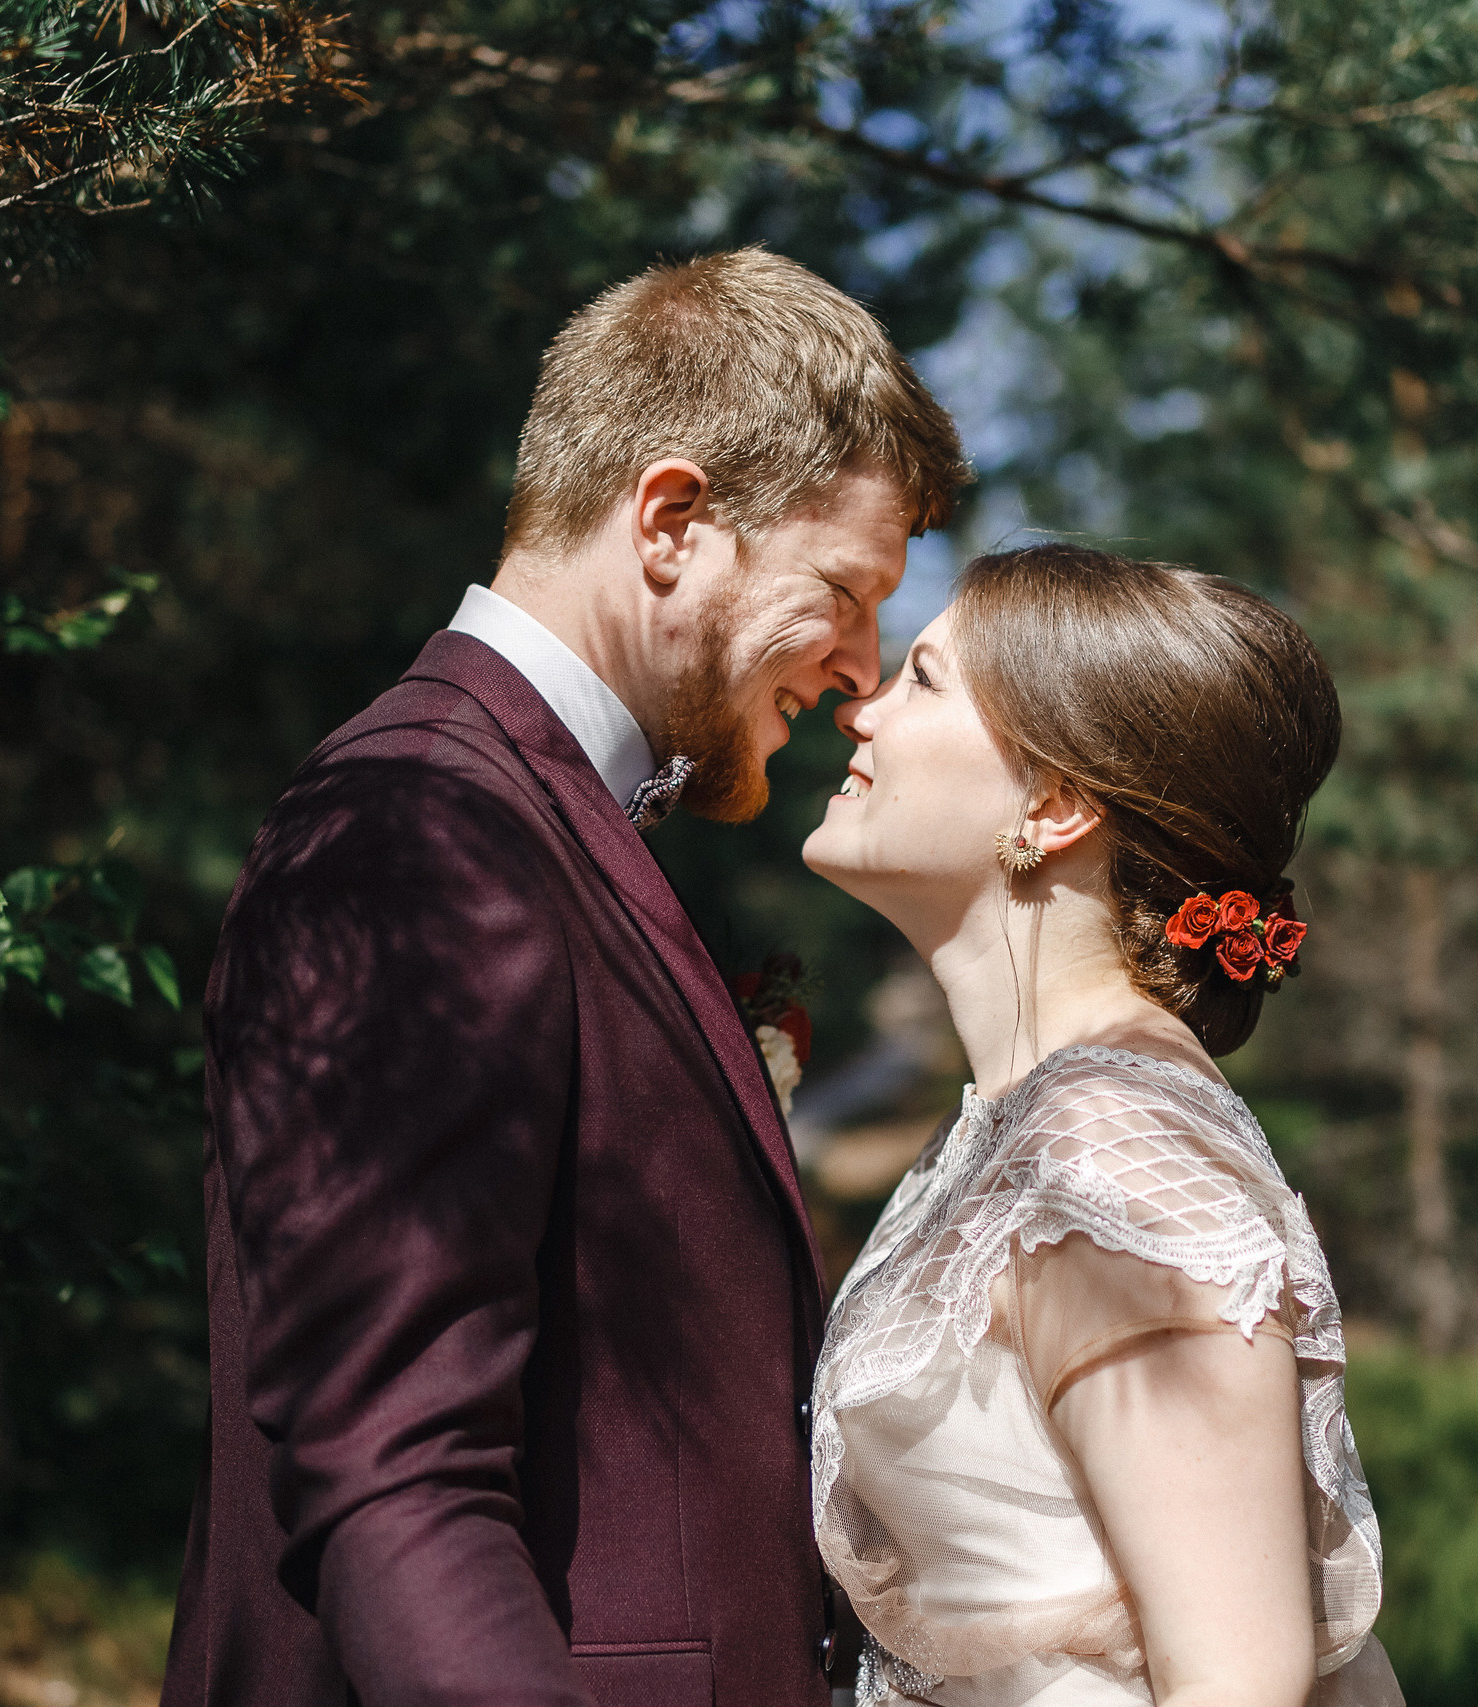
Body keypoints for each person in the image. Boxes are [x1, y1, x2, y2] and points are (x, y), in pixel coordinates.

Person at [161, 247, 969, 1707]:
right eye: (845, 590)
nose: (860, 666)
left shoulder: (527, 811)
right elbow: (397, 1473)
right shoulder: (422, 830)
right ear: (671, 519)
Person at [802, 544, 1402, 1707]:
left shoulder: (1113, 1155)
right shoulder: (1018, 1124)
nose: (859, 712)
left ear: (1058, 801)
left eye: (921, 680)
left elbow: (1234, 1684)